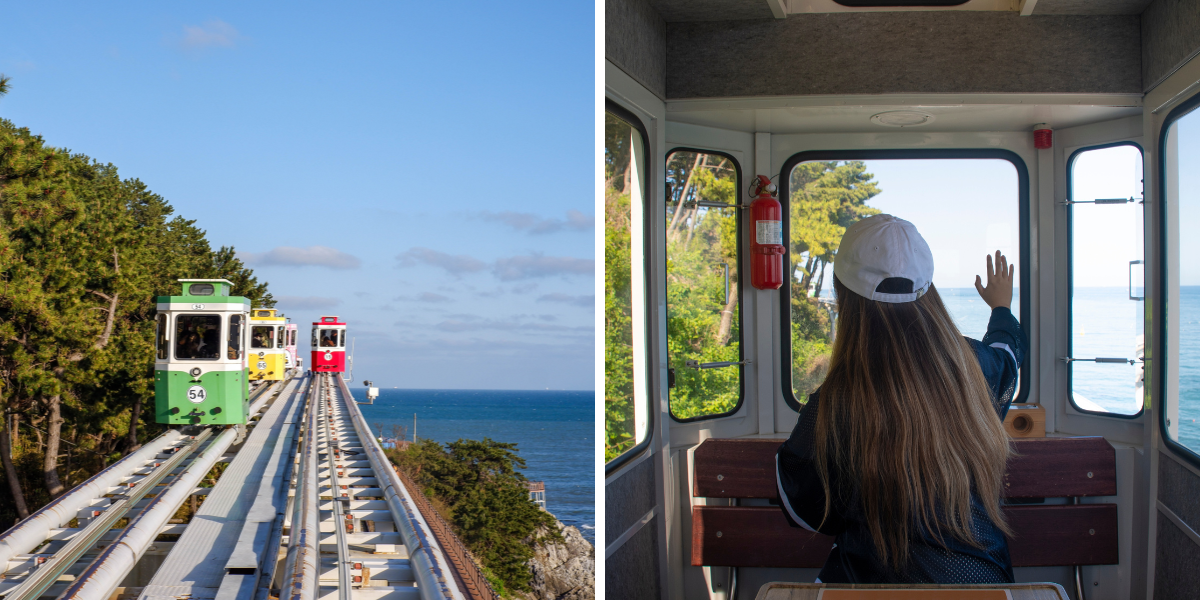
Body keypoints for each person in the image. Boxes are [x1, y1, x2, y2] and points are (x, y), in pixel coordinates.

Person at [776, 214, 1025, 585]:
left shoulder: (834, 404)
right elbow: (1007, 353)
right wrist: (1001, 308)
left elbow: (805, 511)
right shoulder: (972, 369)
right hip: (982, 582)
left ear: (842, 294)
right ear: (928, 289)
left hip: (868, 585)